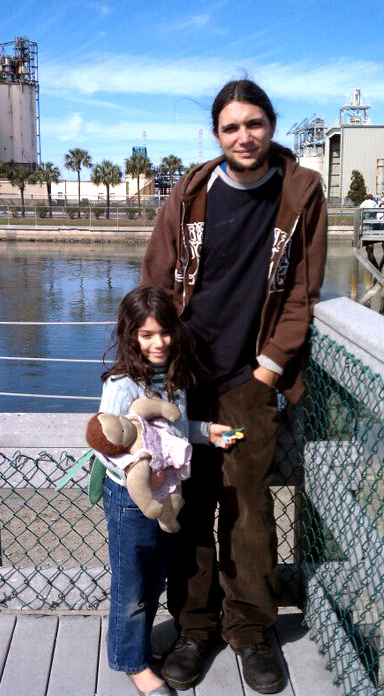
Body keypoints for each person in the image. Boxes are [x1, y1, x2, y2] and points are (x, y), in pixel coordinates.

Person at [141, 79, 328, 694]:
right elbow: (158, 279)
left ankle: (250, 629)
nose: (244, 136)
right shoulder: (192, 191)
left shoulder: (300, 192)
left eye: (254, 123)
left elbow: (303, 289)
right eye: (230, 127)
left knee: (248, 511)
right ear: (217, 135)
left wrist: (270, 368)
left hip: (251, 380)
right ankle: (195, 627)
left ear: (272, 125)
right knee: (188, 507)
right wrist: (155, 362)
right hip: (186, 375)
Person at [91, 286, 233, 696]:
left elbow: (175, 429)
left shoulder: (173, 379)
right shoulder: (123, 384)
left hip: (166, 499)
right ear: (130, 335)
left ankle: (136, 646)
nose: (158, 343)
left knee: (154, 580)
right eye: (147, 335)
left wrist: (208, 432)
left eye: (165, 332)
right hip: (129, 502)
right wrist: (136, 469)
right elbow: (105, 443)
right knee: (132, 585)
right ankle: (131, 662)